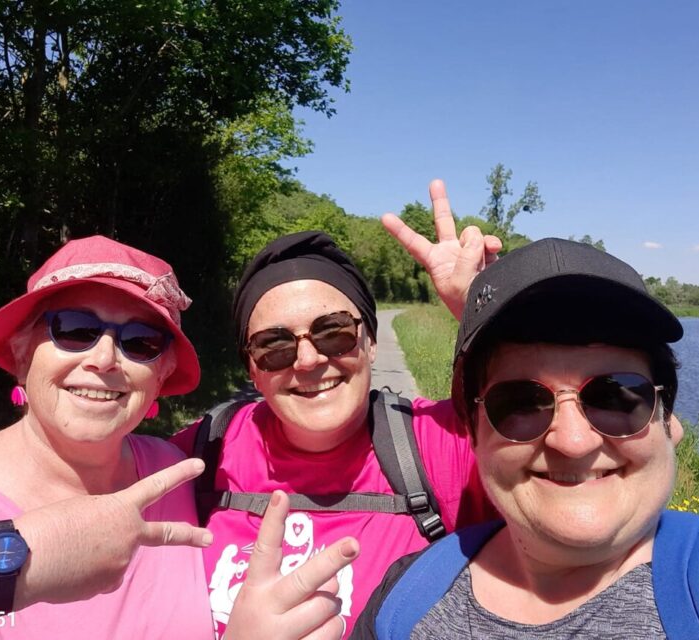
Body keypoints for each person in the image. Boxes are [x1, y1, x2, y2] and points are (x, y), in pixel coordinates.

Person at [0, 236, 355, 640]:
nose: (103, 359)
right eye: (74, 329)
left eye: (140, 341)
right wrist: (25, 555)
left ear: (161, 375)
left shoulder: (173, 473)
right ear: (20, 354)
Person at [354, 237, 699, 639]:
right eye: (519, 404)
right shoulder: (406, 597)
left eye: (616, 397)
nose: (573, 441)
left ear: (669, 422)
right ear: (473, 436)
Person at [171, 183, 504, 638]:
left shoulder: (435, 445)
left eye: (333, 333)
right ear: (251, 367)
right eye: (274, 345)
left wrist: (493, 321)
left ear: (369, 342)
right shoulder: (206, 451)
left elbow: (582, 444)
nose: (308, 360)